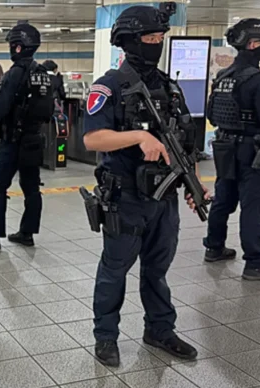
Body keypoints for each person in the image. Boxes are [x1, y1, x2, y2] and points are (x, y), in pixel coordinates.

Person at [82, 4, 204, 367]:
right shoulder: (109, 86)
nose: (157, 44)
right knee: (114, 270)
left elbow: (185, 142)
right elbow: (92, 139)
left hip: (164, 198)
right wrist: (138, 136)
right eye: (150, 38)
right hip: (126, 198)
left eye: (160, 38)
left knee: (157, 270)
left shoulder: (169, 87)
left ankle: (160, 330)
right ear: (130, 41)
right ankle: (106, 337)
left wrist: (194, 184)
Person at [204, 18, 260, 281]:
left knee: (223, 199)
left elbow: (212, 115)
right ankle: (255, 263)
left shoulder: (223, 77)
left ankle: (214, 246)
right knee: (253, 206)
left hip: (224, 147)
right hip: (253, 150)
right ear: (253, 44)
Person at [0, 23, 54, 250]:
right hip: (34, 139)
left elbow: (0, 108)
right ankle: (27, 233)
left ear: (18, 47)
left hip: (13, 141)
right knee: (31, 187)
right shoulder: (42, 74)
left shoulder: (14, 73)